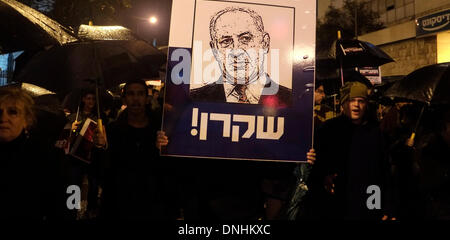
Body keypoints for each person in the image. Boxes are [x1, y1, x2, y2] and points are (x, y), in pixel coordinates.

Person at [156, 130, 316, 220]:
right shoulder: (207, 128)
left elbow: (273, 168)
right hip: (208, 207)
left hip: (246, 208)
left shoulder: (254, 133)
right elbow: (185, 166)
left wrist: (300, 157)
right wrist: (166, 147)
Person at [310, 81, 393, 220]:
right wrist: (324, 176)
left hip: (368, 201)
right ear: (343, 104)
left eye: (361, 101)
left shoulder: (376, 132)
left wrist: (384, 207)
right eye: (351, 100)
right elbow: (316, 166)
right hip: (336, 203)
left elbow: (383, 172)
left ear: (366, 104)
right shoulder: (327, 130)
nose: (356, 105)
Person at [101, 79, 175, 219]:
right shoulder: (112, 131)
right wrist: (101, 148)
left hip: (153, 205)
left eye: (140, 94)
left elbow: (169, 171)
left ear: (147, 99)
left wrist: (163, 150)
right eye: (131, 94)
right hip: (120, 204)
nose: (136, 98)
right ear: (124, 99)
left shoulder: (160, 129)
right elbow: (104, 172)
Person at [190, 7, 291, 106]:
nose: (236, 51)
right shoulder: (192, 99)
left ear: (265, 43)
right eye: (226, 41)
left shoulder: (291, 98)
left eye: (245, 39)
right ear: (214, 49)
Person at [0, 87, 64, 219]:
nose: (3, 118)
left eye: (12, 112)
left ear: (26, 120)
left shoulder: (46, 156)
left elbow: (62, 203)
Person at [56, 89, 107, 220]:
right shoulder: (73, 116)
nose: (91, 101)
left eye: (93, 99)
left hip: (92, 157)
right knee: (74, 184)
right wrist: (71, 128)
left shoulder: (99, 118)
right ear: (83, 100)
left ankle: (91, 210)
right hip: (75, 158)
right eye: (88, 98)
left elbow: (105, 142)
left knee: (93, 185)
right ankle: (71, 211)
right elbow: (63, 138)